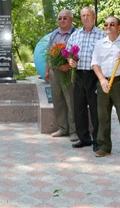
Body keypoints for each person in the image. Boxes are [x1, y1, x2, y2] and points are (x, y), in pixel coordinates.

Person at [91, 16, 120, 160]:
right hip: (104, 82)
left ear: (119, 27)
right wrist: (102, 79)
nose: (108, 27)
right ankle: (103, 146)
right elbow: (95, 64)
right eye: (106, 24)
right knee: (102, 116)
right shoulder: (99, 44)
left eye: (112, 24)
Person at [67, 6, 106, 151]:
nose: (85, 18)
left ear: (94, 16)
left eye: (88, 15)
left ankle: (98, 140)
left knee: (96, 109)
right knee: (79, 108)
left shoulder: (102, 35)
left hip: (94, 76)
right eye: (83, 15)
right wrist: (70, 60)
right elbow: (69, 53)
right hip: (78, 75)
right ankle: (84, 138)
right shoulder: (75, 35)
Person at [44, 9, 78, 142]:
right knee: (58, 100)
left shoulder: (76, 34)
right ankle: (63, 128)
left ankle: (74, 131)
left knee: (71, 101)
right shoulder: (54, 33)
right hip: (55, 71)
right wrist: (47, 70)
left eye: (65, 18)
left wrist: (68, 65)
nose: (62, 20)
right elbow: (49, 53)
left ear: (71, 20)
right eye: (60, 18)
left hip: (69, 72)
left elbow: (78, 54)